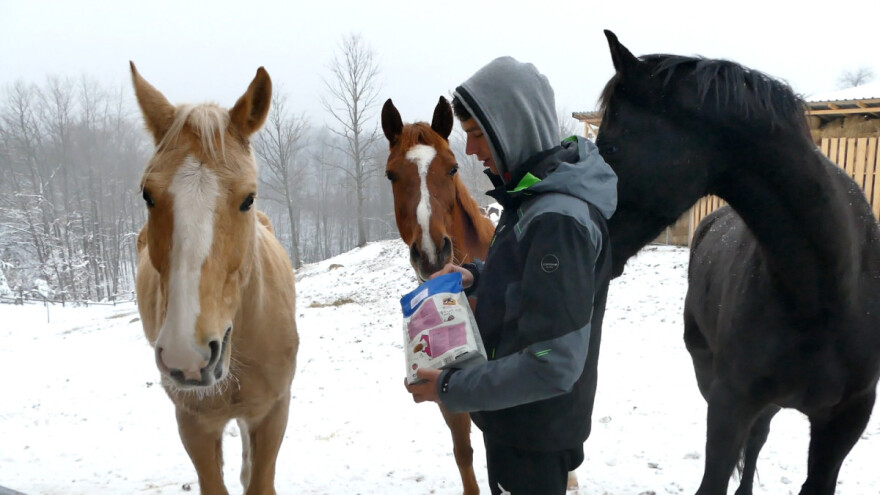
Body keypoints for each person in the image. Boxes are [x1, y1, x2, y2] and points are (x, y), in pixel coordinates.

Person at [404, 56, 618, 494]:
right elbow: (535, 284)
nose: (470, 151)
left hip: (534, 433)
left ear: (513, 126)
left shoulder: (558, 218)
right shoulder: (536, 198)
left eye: (478, 134)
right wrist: (478, 277)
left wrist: (452, 386)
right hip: (518, 422)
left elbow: (552, 364)